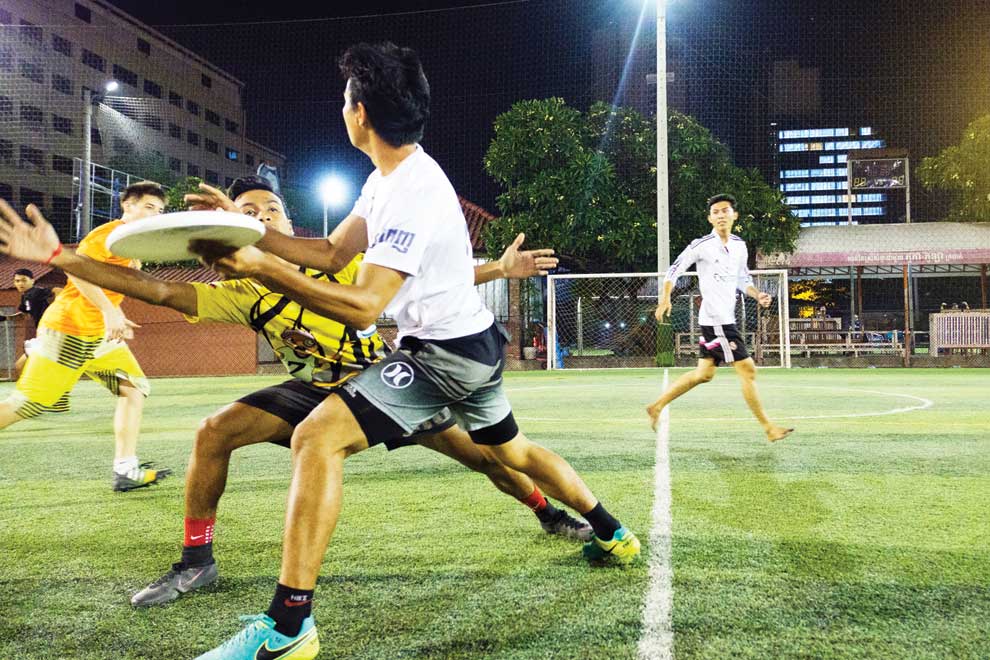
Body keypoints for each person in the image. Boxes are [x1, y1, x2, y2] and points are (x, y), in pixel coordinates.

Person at [183, 42, 638, 658]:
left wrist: (257, 264)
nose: (342, 108)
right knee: (514, 451)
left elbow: (364, 304)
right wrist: (243, 231)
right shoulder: (388, 179)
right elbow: (330, 255)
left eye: (346, 99)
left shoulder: (413, 193)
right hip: (472, 344)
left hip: (443, 354)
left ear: (360, 114)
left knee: (317, 437)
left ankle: (288, 627)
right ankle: (612, 533)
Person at [0, 176, 591, 609]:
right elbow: (151, 291)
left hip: (385, 385)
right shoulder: (241, 290)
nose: (261, 215)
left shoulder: (334, 258)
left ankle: (547, 511)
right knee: (214, 432)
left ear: (283, 223)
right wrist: (57, 256)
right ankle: (196, 562)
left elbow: (426, 279)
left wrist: (497, 271)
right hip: (312, 391)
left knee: (489, 458)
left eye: (269, 209)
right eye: (248, 209)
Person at [0, 181, 170, 492]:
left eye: (160, 210)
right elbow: (77, 271)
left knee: (133, 388)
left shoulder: (133, 246)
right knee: (27, 404)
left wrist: (113, 312)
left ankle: (125, 469)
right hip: (70, 330)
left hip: (98, 336)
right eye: (148, 207)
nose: (155, 214)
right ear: (127, 206)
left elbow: (109, 284)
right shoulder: (108, 235)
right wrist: (108, 310)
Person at [647, 193, 793, 443]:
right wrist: (666, 297)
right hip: (717, 320)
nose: (721, 215)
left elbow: (742, 280)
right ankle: (769, 427)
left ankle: (657, 406)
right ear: (710, 218)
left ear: (734, 215)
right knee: (748, 370)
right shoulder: (700, 245)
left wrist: (757, 295)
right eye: (716, 212)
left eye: (725, 210)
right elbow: (675, 269)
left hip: (723, 319)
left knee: (704, 374)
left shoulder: (739, 246)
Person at [0, 268, 59, 377]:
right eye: (17, 281)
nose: (20, 283)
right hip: (44, 335)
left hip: (51, 333)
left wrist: (61, 305)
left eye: (24, 280)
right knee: (24, 366)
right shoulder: (26, 296)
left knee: (21, 366)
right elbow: (23, 315)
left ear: (32, 280)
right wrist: (5, 318)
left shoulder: (36, 292)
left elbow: (57, 290)